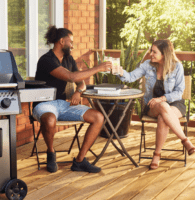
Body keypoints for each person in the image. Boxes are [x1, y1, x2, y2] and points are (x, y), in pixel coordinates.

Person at [32, 25, 112, 173]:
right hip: (44, 104)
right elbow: (71, 76)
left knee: (98, 117)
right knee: (49, 119)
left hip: (64, 104)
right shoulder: (47, 60)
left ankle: (80, 161)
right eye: (71, 42)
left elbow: (80, 81)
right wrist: (98, 68)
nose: (73, 45)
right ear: (62, 41)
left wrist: (78, 91)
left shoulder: (69, 59)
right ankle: (51, 153)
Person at [117, 39, 195, 170]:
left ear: (164, 54)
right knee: (164, 107)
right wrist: (119, 71)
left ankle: (156, 154)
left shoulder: (177, 66)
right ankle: (185, 140)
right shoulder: (147, 65)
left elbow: (179, 92)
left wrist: (162, 98)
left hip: (175, 104)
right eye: (150, 51)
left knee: (163, 117)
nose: (150, 54)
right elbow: (130, 77)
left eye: (154, 52)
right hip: (152, 106)